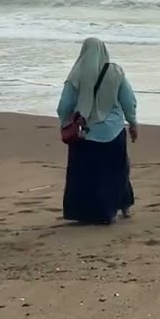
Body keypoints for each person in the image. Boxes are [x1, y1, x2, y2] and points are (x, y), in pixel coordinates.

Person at [56, 37, 139, 225]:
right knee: (117, 170)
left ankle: (85, 212)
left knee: (85, 175)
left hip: (86, 133)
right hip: (114, 130)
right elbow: (128, 99)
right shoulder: (116, 72)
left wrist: (65, 122)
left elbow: (65, 104)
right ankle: (121, 206)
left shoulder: (76, 74)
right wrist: (133, 122)